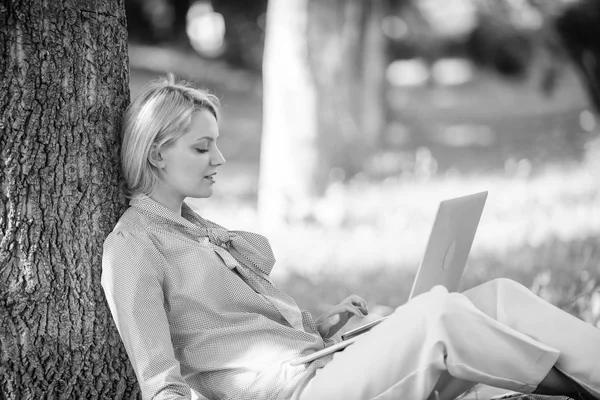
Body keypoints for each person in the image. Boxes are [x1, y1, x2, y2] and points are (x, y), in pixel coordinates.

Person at [101, 75, 600, 400]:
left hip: (323, 369)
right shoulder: (135, 245)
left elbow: (247, 336)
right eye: (202, 147)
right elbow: (160, 382)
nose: (220, 159)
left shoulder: (201, 230)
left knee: (500, 298)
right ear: (157, 153)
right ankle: (574, 391)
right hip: (297, 394)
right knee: (439, 313)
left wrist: (323, 325)